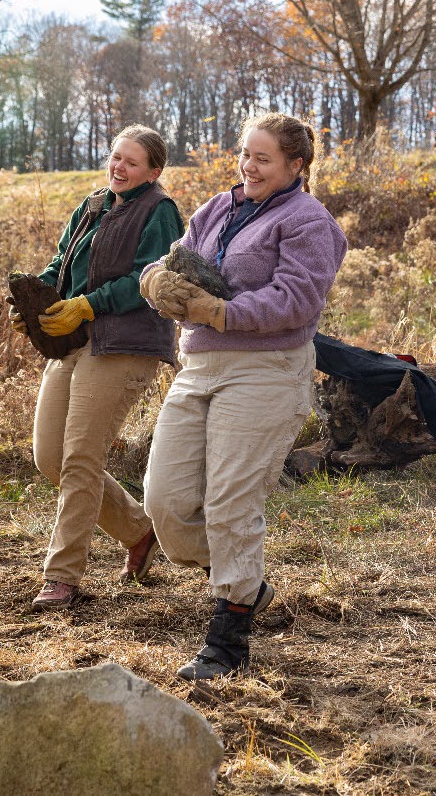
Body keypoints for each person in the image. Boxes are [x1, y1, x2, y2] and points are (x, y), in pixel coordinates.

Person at [139, 112, 347, 680]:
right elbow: (177, 257)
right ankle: (246, 581)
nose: (248, 167)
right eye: (245, 155)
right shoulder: (217, 207)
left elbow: (298, 299)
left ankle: (227, 640)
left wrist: (224, 312)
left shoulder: (309, 221)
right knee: (165, 501)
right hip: (199, 365)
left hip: (267, 369)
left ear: (295, 165)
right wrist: (154, 280)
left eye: (263, 159)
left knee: (232, 501)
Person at [9, 125, 184, 610]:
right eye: (115, 157)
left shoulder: (160, 211)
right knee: (50, 458)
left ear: (153, 171)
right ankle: (138, 531)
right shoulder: (91, 206)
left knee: (81, 458)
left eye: (131, 162)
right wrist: (33, 300)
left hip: (124, 345)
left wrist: (90, 303)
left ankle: (62, 577)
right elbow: (59, 265)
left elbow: (149, 279)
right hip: (73, 343)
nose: (119, 168)